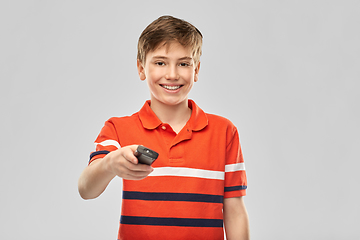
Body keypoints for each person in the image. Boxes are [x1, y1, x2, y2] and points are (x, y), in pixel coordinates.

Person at [78, 15, 249, 240]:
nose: (172, 74)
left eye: (184, 63)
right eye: (160, 62)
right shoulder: (118, 128)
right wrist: (110, 163)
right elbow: (86, 189)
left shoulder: (224, 131)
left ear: (196, 70)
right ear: (141, 68)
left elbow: (234, 209)